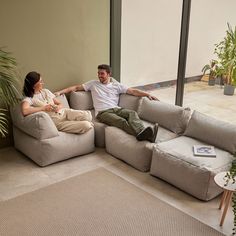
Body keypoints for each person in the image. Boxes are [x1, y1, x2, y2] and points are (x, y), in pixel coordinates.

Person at [55, 64, 159, 142]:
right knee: (121, 121)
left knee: (132, 113)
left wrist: (147, 94)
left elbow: (133, 91)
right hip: (103, 113)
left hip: (117, 109)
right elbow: (76, 87)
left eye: (102, 74)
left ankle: (143, 133)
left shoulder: (116, 85)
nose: (99, 76)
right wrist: (60, 92)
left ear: (109, 74)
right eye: (98, 73)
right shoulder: (93, 84)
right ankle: (144, 134)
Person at [22, 71, 93, 134]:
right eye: (40, 82)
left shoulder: (46, 91)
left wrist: (58, 107)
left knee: (88, 115)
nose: (43, 83)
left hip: (65, 112)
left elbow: (60, 103)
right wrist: (43, 108)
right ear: (33, 85)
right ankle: (80, 123)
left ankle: (77, 121)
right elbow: (25, 111)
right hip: (57, 122)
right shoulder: (29, 98)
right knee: (86, 125)